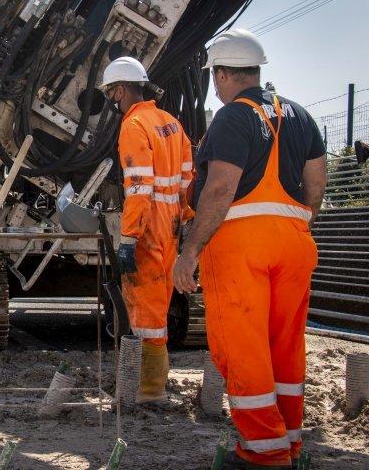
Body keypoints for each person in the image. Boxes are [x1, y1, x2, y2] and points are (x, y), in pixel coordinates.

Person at [172, 29, 327, 468]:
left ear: (221, 74)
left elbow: (220, 188)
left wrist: (190, 252)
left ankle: (263, 452)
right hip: (296, 242)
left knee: (244, 347)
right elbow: (317, 184)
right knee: (285, 345)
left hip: (241, 245)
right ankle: (288, 441)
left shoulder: (232, 117)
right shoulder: (299, 115)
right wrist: (293, 225)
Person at [99, 56, 194, 404]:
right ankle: (148, 384)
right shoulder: (171, 123)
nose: (111, 100)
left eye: (111, 93)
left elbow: (138, 187)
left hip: (149, 226)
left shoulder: (134, 125)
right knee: (158, 303)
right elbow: (187, 179)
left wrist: (128, 239)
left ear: (121, 89)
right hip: (169, 226)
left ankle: (149, 390)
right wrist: (184, 219)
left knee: (146, 311)